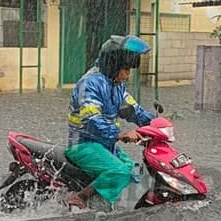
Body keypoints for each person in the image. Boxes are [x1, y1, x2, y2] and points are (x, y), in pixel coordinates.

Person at [64, 35, 156, 209]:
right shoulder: (89, 84)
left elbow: (132, 109)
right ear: (113, 65)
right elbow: (92, 119)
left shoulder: (116, 85)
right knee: (119, 171)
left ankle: (109, 203)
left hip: (105, 146)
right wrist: (119, 134)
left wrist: (155, 124)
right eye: (126, 69)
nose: (128, 75)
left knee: (133, 169)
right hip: (83, 145)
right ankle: (79, 197)